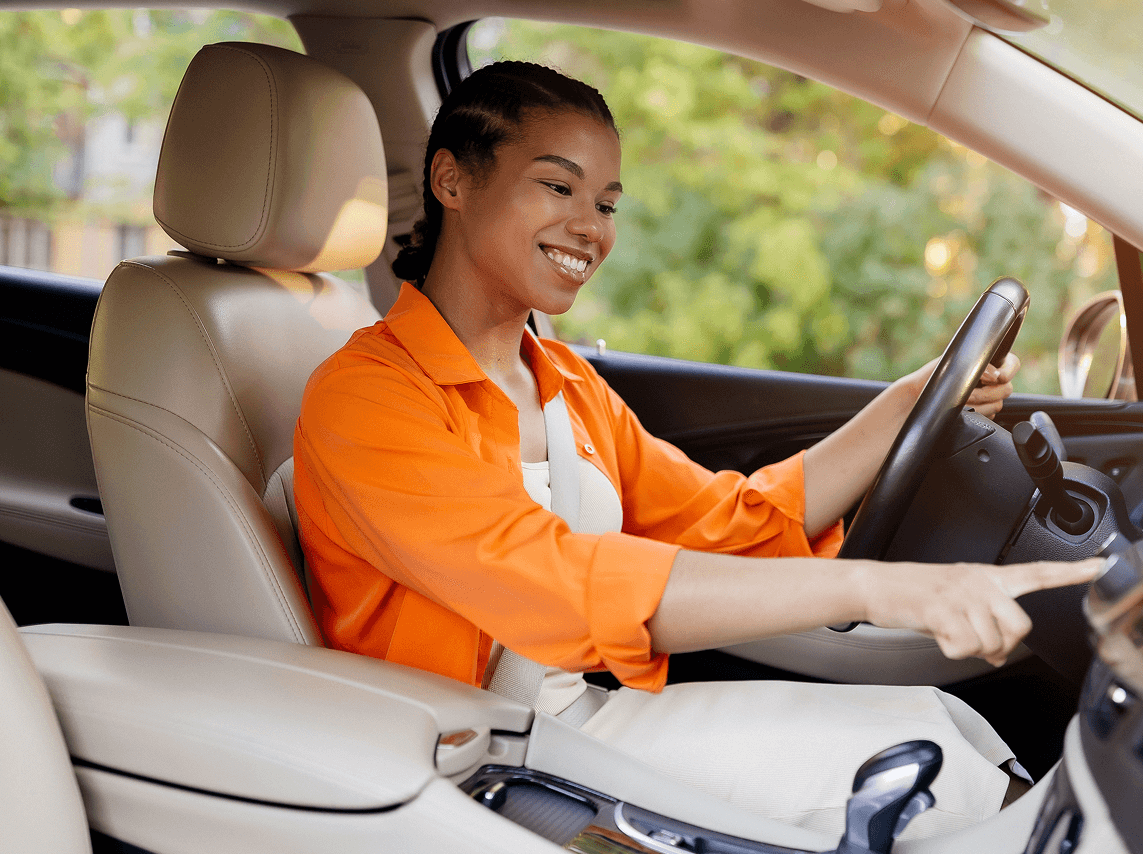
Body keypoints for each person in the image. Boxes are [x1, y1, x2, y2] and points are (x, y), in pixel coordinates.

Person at [293, 61, 1100, 838]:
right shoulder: (367, 397)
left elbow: (726, 523)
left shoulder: (564, 382)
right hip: (474, 759)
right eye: (557, 186)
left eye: (607, 203)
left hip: (576, 719)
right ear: (452, 181)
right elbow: (556, 582)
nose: (590, 226)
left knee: (929, 721)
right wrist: (880, 588)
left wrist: (900, 409)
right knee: (927, 779)